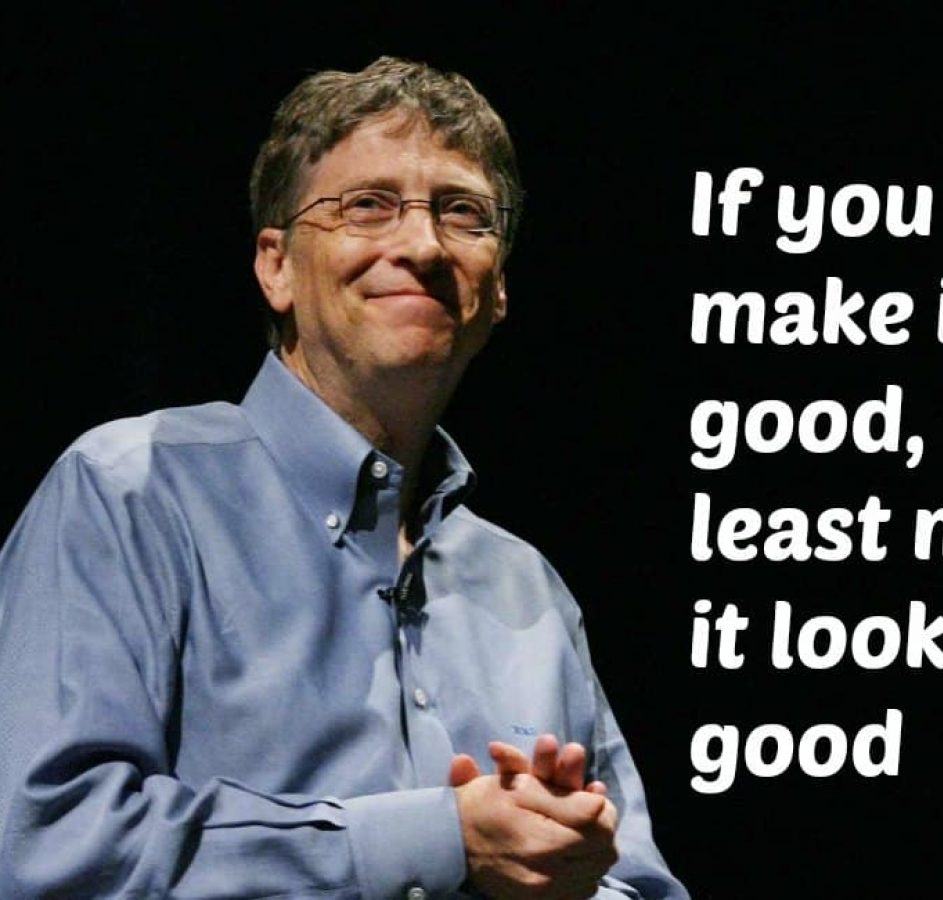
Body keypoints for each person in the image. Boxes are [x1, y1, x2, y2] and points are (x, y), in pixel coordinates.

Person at [0, 57, 689, 899]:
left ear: (499, 287)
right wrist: (439, 841)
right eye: (367, 205)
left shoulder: (529, 590)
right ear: (277, 266)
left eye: (463, 212)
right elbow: (48, 848)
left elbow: (640, 883)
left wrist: (565, 872)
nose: (423, 245)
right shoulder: (130, 494)